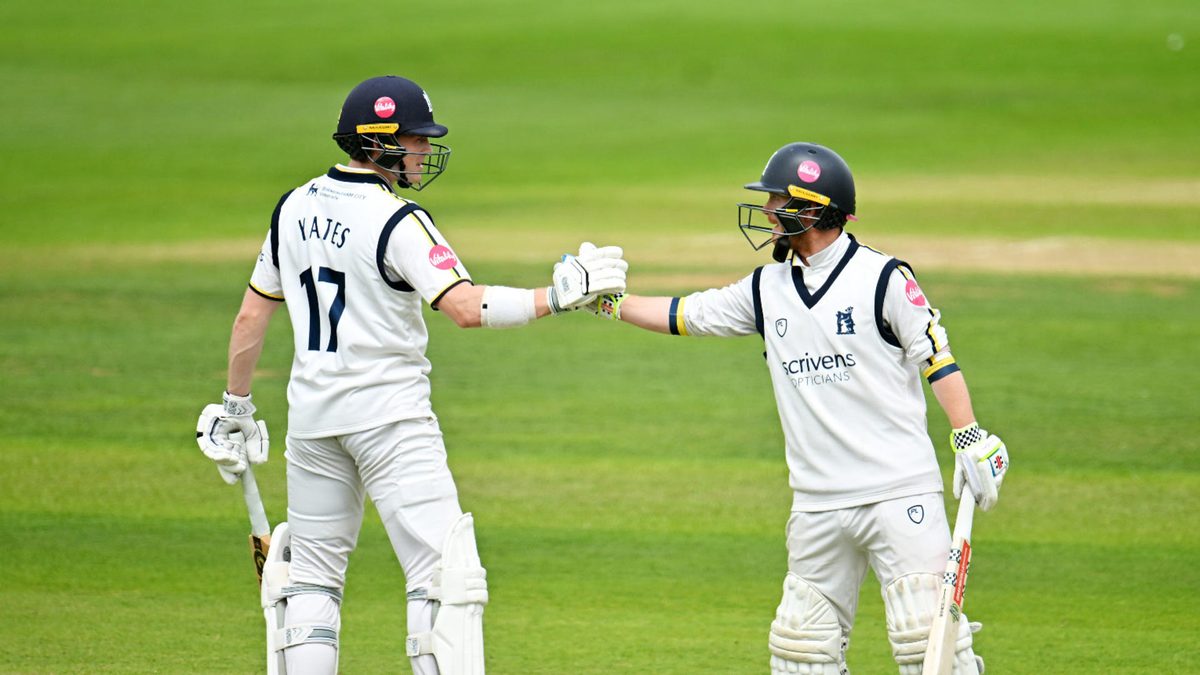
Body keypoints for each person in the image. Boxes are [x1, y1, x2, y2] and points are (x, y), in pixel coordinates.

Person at [195, 74, 627, 675]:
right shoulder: (397, 220)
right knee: (444, 578)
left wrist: (234, 405)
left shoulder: (292, 206)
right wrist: (558, 296)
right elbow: (465, 307)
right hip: (391, 422)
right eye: (416, 140)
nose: (424, 151)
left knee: (313, 585)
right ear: (380, 143)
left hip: (312, 425)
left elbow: (250, 316)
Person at [588, 142, 1009, 674]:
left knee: (925, 642)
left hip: (899, 493)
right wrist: (604, 303)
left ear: (812, 209)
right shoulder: (767, 289)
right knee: (800, 652)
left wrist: (968, 436)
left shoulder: (884, 278)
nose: (766, 212)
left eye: (777, 200)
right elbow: (684, 314)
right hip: (816, 503)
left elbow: (938, 359)